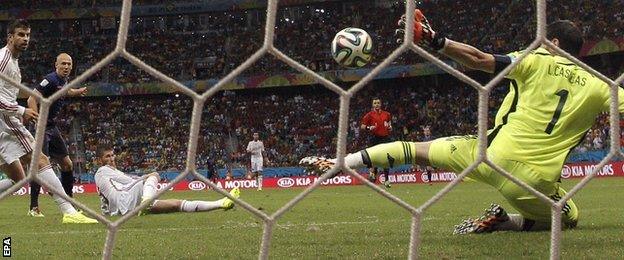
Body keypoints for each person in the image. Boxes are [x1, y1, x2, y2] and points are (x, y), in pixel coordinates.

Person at [301, 12, 616, 234]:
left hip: (488, 156)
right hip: (534, 181)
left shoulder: (536, 59)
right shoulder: (601, 86)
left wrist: (436, 40)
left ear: (555, 42)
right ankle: (507, 220)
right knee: (568, 216)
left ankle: (340, 162)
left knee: (417, 150)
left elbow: (479, 60)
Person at [0, 19, 96, 223]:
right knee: (40, 160)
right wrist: (21, 110)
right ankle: (69, 212)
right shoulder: (4, 59)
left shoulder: (14, 61)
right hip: (5, 121)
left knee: (18, 178)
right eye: (20, 34)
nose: (25, 39)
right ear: (10, 37)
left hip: (5, 120)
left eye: (27, 35)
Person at [94, 143, 240, 216]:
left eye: (112, 155)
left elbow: (125, 185)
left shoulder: (112, 172)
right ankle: (147, 202)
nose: (112, 158)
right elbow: (128, 182)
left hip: (128, 205)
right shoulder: (102, 171)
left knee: (177, 204)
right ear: (99, 160)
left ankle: (222, 203)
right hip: (124, 205)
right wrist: (147, 180)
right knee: (154, 175)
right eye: (107, 156)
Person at [26, 53, 88, 217]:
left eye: (69, 64)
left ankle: (70, 204)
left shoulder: (62, 81)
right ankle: (33, 207)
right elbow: (31, 98)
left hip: (52, 128)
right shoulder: (51, 79)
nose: (66, 67)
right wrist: (37, 119)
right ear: (56, 65)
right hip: (43, 128)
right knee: (41, 166)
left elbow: (65, 91)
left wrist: (76, 92)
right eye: (63, 64)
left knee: (67, 164)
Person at [360, 98, 393, 188]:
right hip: (374, 138)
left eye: (378, 103)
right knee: (373, 157)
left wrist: (390, 127)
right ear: (372, 105)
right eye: (375, 103)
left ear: (381, 104)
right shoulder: (369, 115)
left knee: (386, 158)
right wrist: (369, 128)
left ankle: (386, 180)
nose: (377, 104)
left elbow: (390, 125)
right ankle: (373, 174)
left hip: (385, 138)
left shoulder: (387, 114)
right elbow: (362, 126)